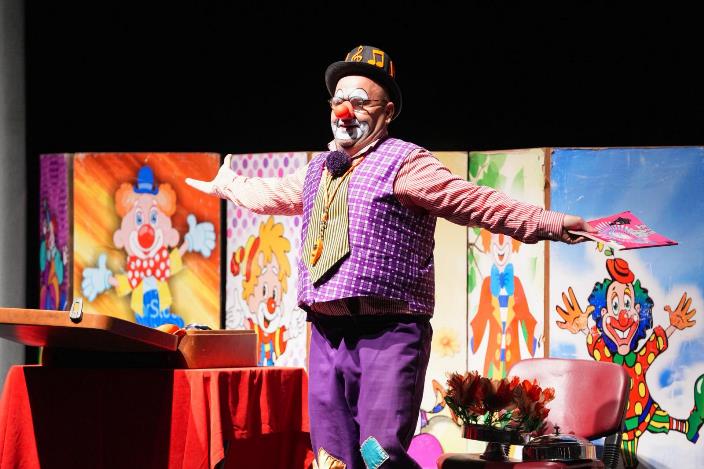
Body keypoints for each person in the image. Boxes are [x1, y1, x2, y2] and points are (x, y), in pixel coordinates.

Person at [186, 44, 594, 469]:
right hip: (326, 332)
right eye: (338, 100)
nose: (345, 111)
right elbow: (270, 193)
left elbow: (474, 201)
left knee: (378, 455)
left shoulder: (405, 163)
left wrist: (549, 222)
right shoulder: (318, 170)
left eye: (360, 102)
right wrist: (227, 184)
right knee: (331, 458)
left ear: (388, 111)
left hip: (388, 332)